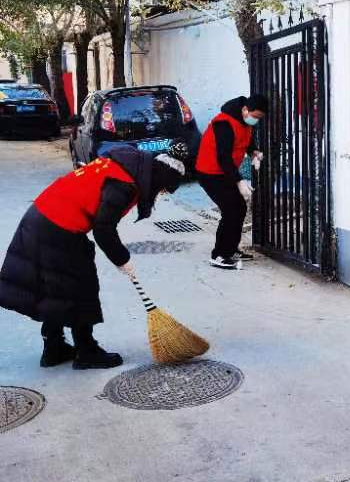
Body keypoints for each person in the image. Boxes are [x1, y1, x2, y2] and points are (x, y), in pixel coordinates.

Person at [0, 144, 187, 370]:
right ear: (158, 179)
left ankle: (54, 348)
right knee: (82, 286)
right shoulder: (124, 184)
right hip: (58, 225)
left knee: (56, 287)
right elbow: (103, 229)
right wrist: (122, 259)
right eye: (164, 189)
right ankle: (86, 351)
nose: (161, 194)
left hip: (42, 215)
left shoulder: (124, 165)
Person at [195, 95, 267, 270]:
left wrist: (254, 152)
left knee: (239, 208)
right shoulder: (224, 123)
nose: (256, 121)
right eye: (255, 116)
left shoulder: (245, 122)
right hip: (210, 173)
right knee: (231, 210)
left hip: (224, 173)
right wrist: (239, 181)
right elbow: (223, 157)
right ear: (245, 110)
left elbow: (246, 142)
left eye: (259, 118)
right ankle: (219, 255)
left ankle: (231, 249)